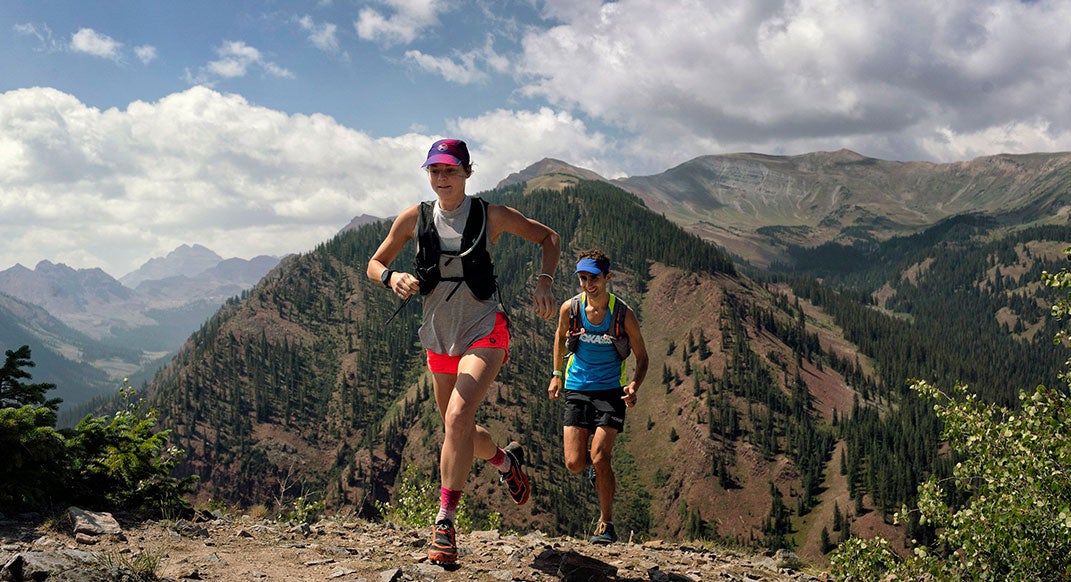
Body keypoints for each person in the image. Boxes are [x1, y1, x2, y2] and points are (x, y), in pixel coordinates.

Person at [368, 138, 560, 564]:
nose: (442, 178)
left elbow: (549, 238)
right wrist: (391, 278)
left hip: (484, 329)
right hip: (438, 336)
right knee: (463, 432)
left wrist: (545, 281)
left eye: (450, 171)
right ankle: (505, 461)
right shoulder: (413, 218)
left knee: (456, 417)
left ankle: (444, 524)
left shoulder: (490, 215)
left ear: (467, 172)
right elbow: (374, 263)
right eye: (435, 171)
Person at [548, 249, 648, 544]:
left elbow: (642, 357)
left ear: (608, 278)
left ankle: (606, 524)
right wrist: (557, 375)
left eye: (594, 278)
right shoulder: (571, 308)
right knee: (575, 464)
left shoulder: (623, 314)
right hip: (577, 388)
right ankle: (595, 470)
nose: (588, 283)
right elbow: (559, 335)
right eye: (583, 277)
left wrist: (634, 385)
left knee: (601, 456)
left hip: (609, 391)